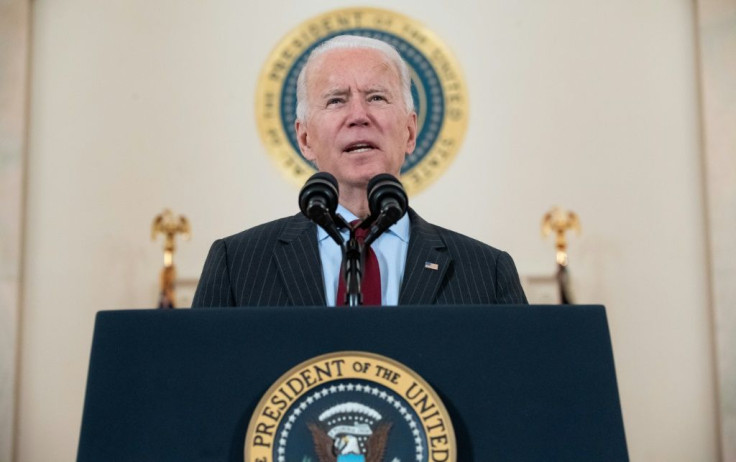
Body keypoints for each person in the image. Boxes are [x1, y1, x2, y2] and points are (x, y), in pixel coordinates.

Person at [192, 35, 527, 308]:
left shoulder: (486, 272)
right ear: (305, 138)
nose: (359, 115)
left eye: (377, 97)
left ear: (409, 132)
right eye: (336, 100)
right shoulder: (237, 265)